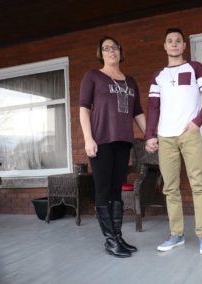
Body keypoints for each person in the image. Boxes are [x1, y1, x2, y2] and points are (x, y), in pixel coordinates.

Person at [145, 28, 202, 255]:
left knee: (198, 185)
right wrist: (149, 135)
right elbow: (153, 107)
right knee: (170, 188)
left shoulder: (195, 68)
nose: (174, 44)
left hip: (189, 134)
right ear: (164, 46)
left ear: (184, 46)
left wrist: (198, 121)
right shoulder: (158, 76)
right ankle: (176, 234)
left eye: (178, 41)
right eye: (169, 41)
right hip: (165, 138)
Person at [79, 36, 146, 258]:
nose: (111, 51)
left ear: (120, 51)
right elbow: (83, 109)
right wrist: (88, 139)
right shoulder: (93, 76)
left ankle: (117, 237)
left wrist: (150, 136)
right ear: (101, 53)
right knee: (103, 190)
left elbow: (137, 113)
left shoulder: (130, 81)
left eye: (114, 47)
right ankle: (110, 240)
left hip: (123, 141)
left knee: (117, 189)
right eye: (106, 48)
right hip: (101, 141)